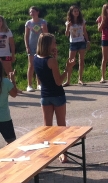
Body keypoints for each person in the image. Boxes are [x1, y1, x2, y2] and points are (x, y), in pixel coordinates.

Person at [33, 33, 76, 162]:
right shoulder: (51, 61)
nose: (55, 44)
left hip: (45, 95)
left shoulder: (35, 58)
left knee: (47, 127)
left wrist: (54, 58)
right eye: (54, 42)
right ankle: (63, 154)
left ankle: (48, 153)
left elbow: (42, 76)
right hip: (57, 94)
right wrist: (67, 69)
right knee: (61, 126)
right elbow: (58, 82)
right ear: (48, 44)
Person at [24, 6, 48, 92]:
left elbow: (46, 34)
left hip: (41, 46)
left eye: (33, 11)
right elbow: (26, 36)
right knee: (31, 65)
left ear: (38, 12)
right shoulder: (28, 23)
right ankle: (29, 85)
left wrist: (43, 29)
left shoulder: (43, 22)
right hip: (31, 46)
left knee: (40, 65)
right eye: (30, 12)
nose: (32, 13)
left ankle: (39, 84)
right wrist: (27, 46)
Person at [64, 5, 90, 86]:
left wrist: (87, 41)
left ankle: (80, 79)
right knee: (70, 61)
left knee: (81, 61)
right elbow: (66, 34)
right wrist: (68, 27)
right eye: (74, 11)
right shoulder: (68, 22)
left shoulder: (82, 21)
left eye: (77, 11)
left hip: (81, 41)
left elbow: (85, 31)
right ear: (71, 12)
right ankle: (68, 80)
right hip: (73, 43)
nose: (76, 12)